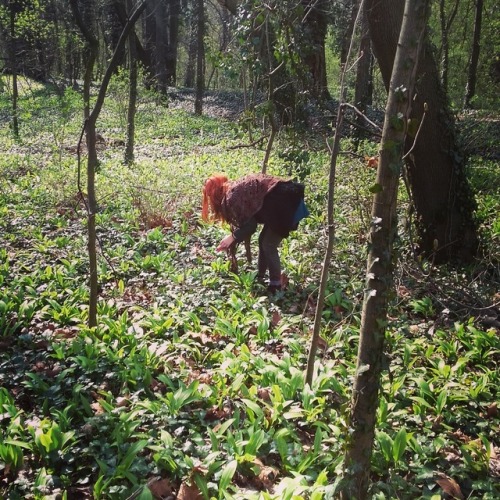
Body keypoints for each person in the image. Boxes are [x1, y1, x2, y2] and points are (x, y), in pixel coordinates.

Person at [202, 173, 309, 292]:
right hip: (281, 205)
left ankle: (276, 285)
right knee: (263, 240)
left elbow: (250, 226)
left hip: (288, 206)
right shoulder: (234, 192)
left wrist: (232, 237)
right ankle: (261, 275)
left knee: (268, 245)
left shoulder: (232, 197)